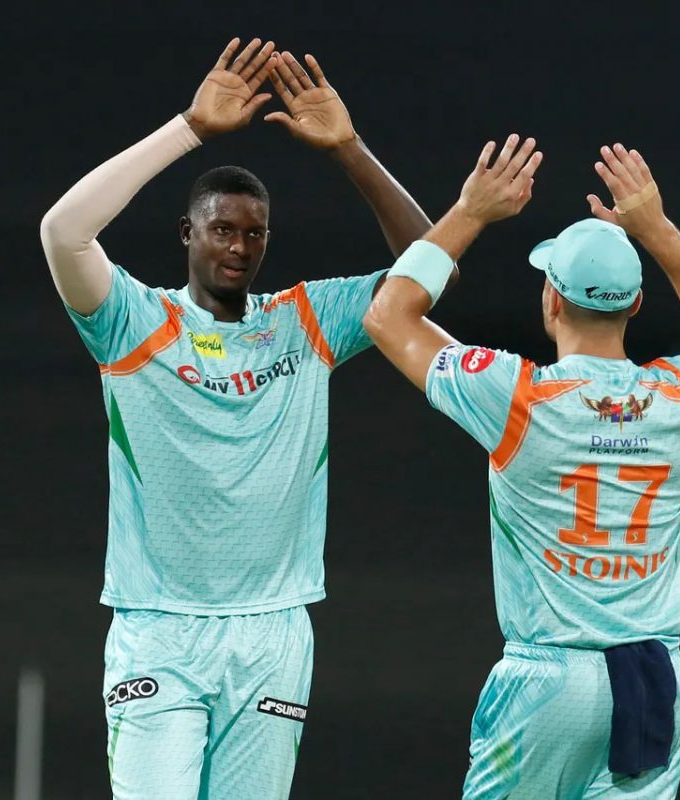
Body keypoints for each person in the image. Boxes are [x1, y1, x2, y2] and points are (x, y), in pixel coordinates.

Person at [39, 38, 431, 799]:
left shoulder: (307, 320)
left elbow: (426, 267)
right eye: (222, 229)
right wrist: (189, 127)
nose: (239, 246)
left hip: (274, 632)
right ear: (188, 233)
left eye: (255, 234)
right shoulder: (130, 321)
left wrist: (350, 149)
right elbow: (63, 231)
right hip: (159, 629)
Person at [363, 138, 680, 798]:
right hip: (653, 679)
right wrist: (655, 228)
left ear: (550, 300)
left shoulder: (516, 397)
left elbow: (389, 315)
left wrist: (470, 211)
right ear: (636, 305)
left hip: (549, 679)